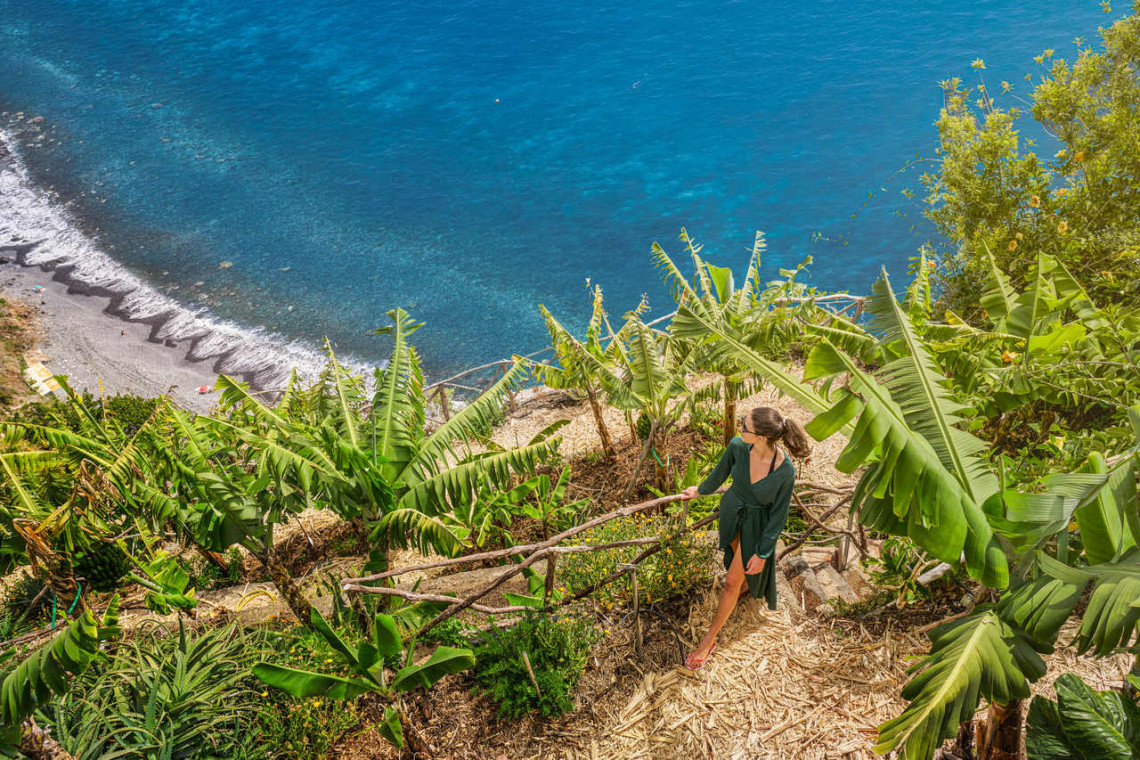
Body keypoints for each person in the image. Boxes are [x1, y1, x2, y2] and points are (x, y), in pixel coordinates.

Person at [680, 406, 811, 670]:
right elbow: (719, 474)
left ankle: (708, 641)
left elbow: (778, 516)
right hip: (731, 512)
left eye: (745, 426)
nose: (740, 429)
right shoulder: (738, 446)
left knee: (730, 582)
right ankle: (746, 587)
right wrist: (701, 491)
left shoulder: (785, 472)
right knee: (736, 566)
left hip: (756, 525)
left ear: (761, 437)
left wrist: (763, 553)